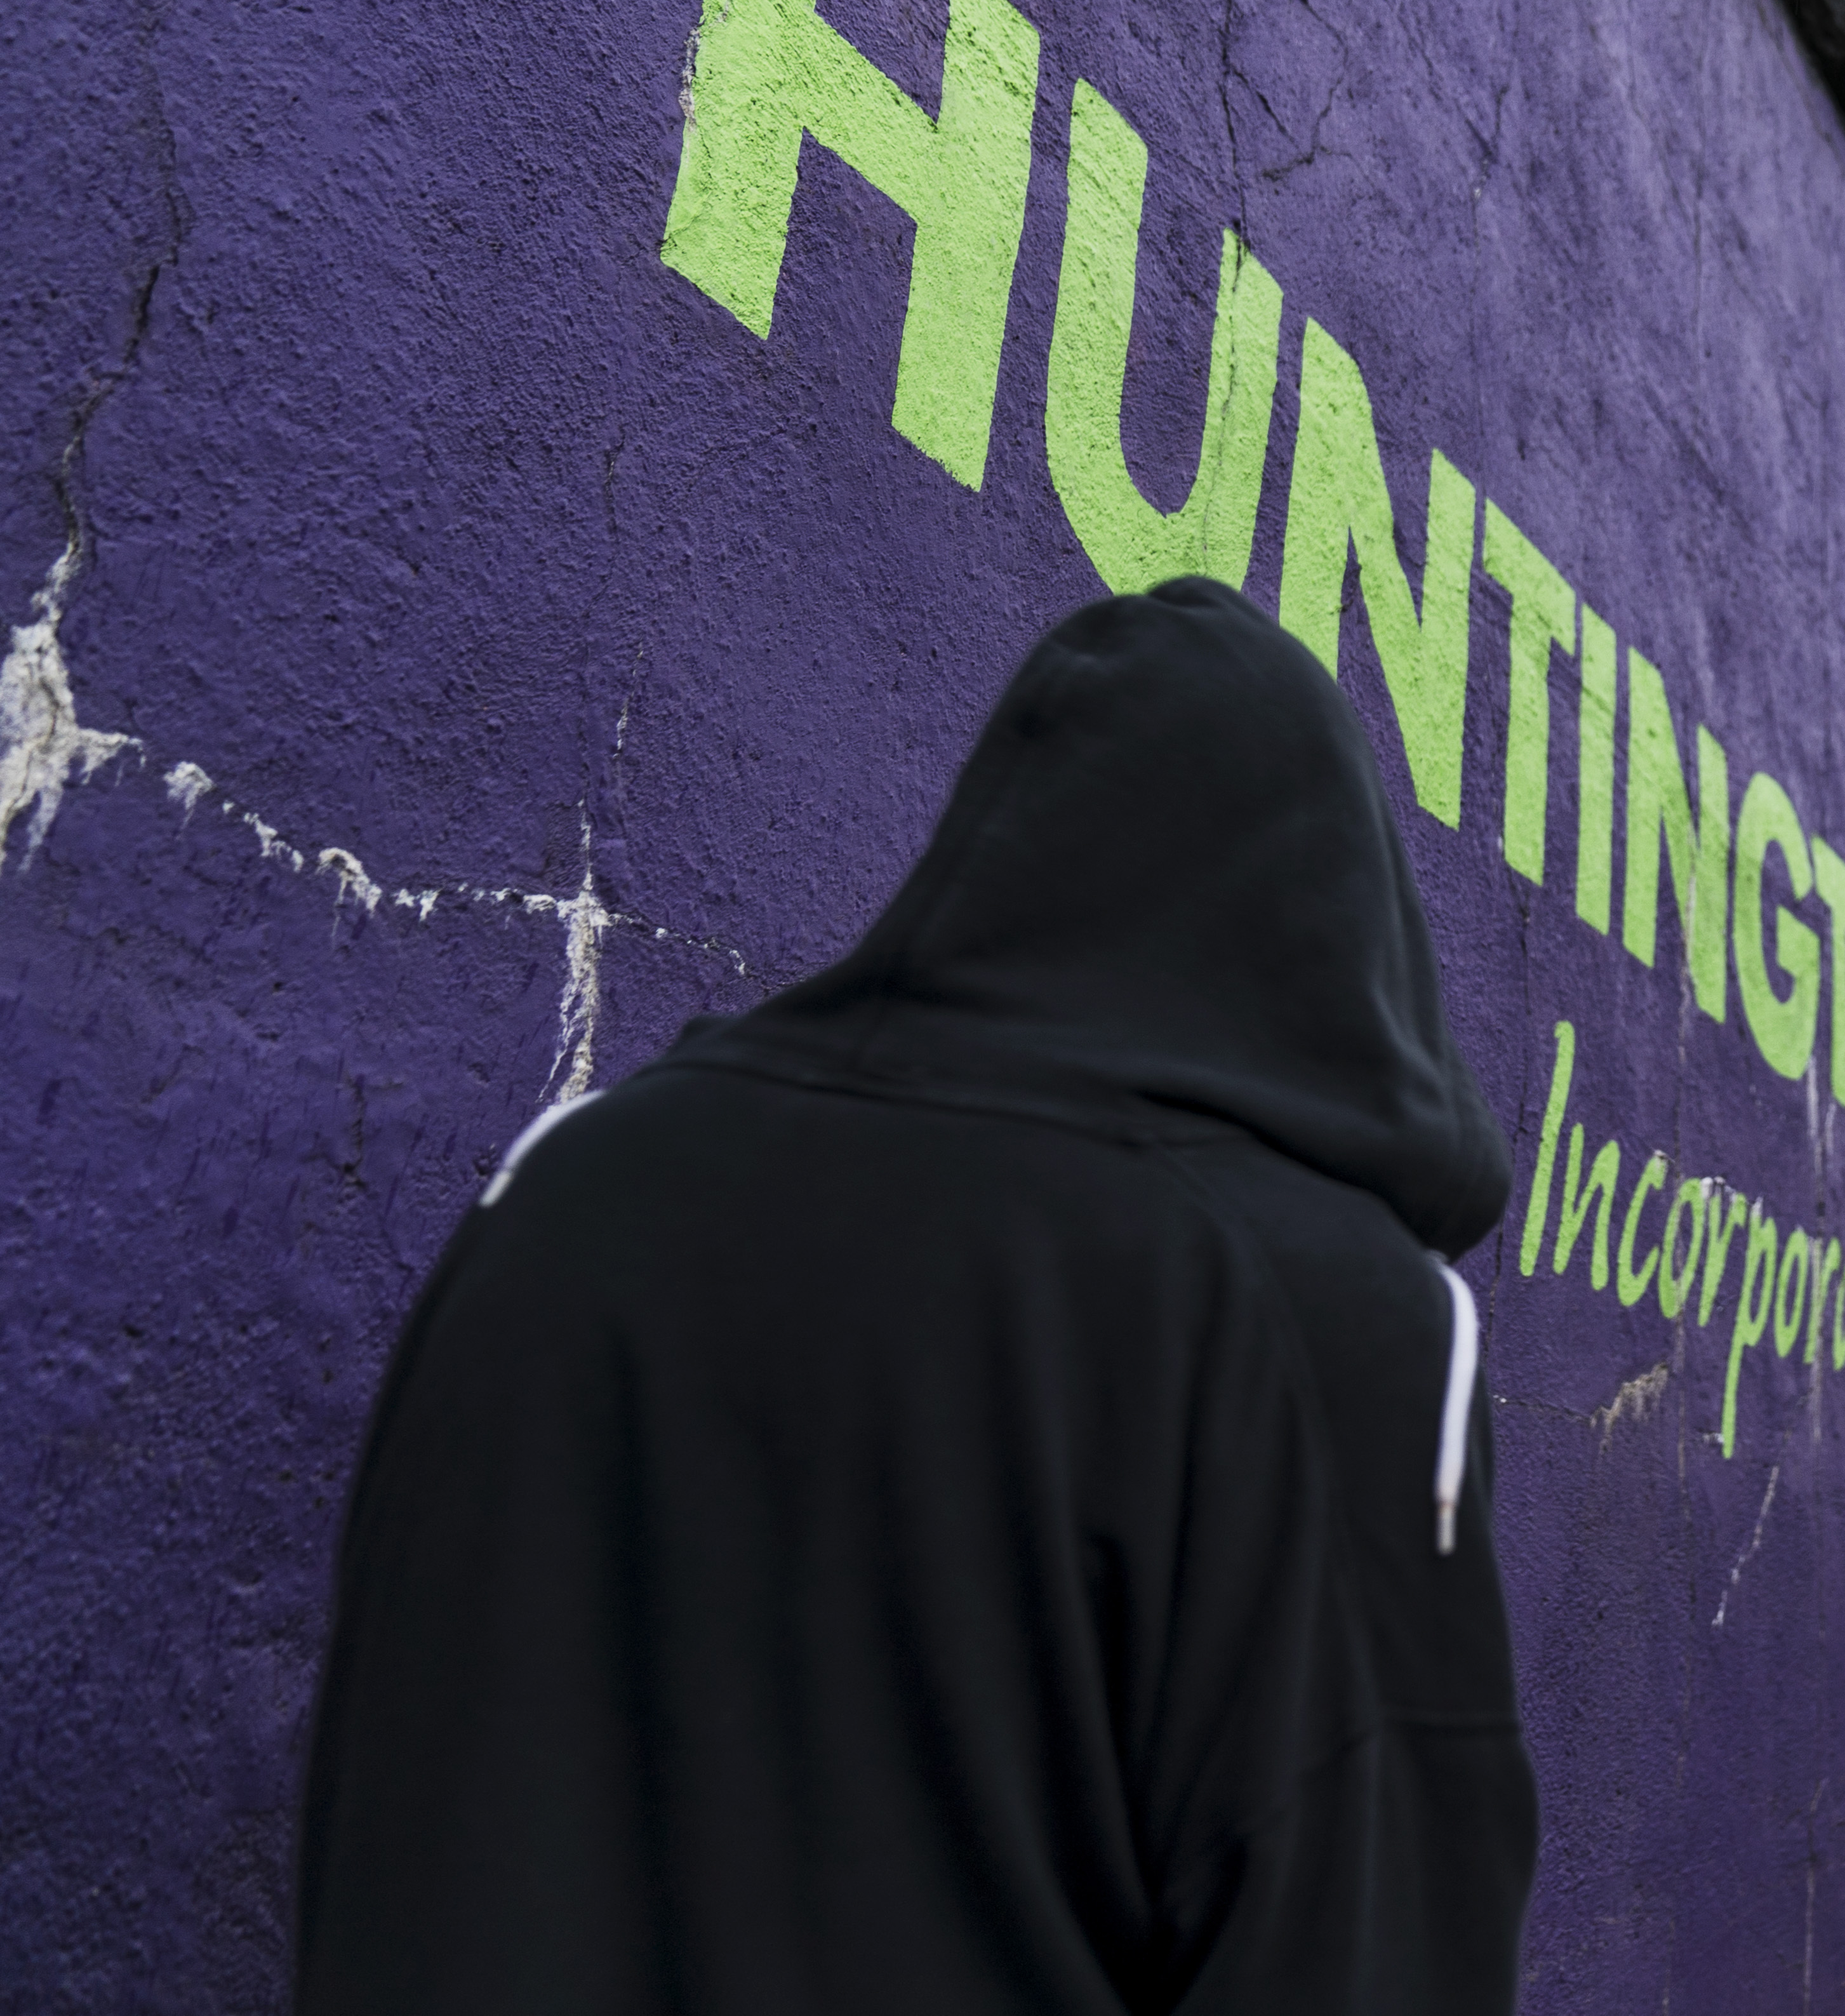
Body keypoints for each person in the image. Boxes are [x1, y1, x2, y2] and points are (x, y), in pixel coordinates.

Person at [296, 580, 1536, 2013]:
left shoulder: (572, 1183)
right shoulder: (1333, 1325)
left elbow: (395, 1779)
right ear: (1345, 911)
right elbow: (1367, 1943)